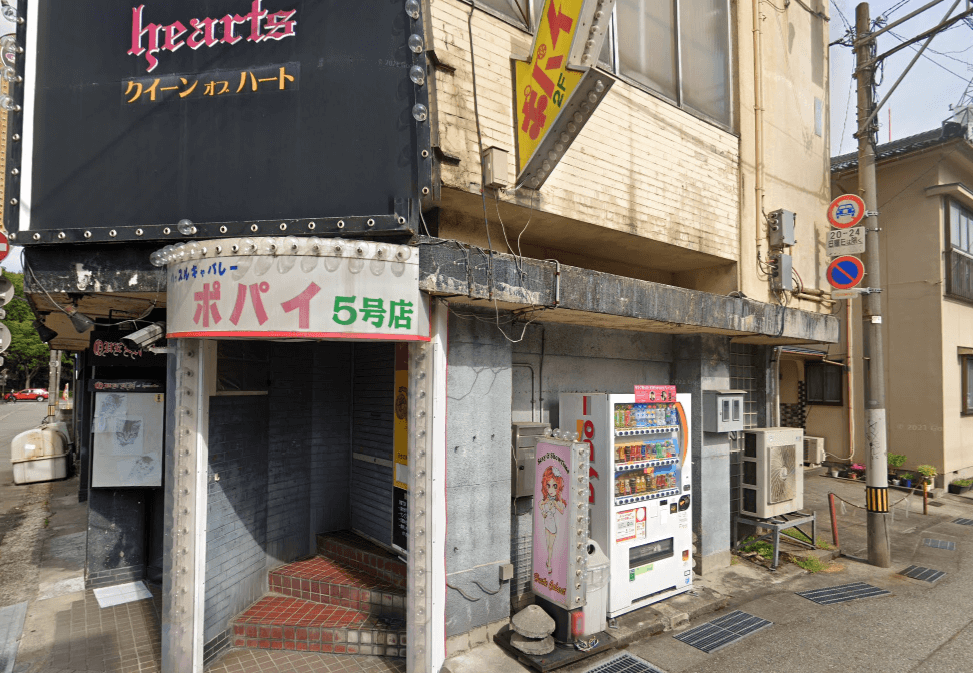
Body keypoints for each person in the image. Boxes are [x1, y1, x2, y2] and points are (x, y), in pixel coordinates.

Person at [539, 465, 566, 574]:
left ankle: (549, 563)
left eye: (554, 486)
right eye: (548, 485)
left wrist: (555, 504)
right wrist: (544, 510)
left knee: (551, 546)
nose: (551, 489)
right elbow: (541, 508)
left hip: (553, 526)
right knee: (548, 545)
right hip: (546, 524)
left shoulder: (557, 502)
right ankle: (549, 563)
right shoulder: (545, 501)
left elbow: (562, 511)